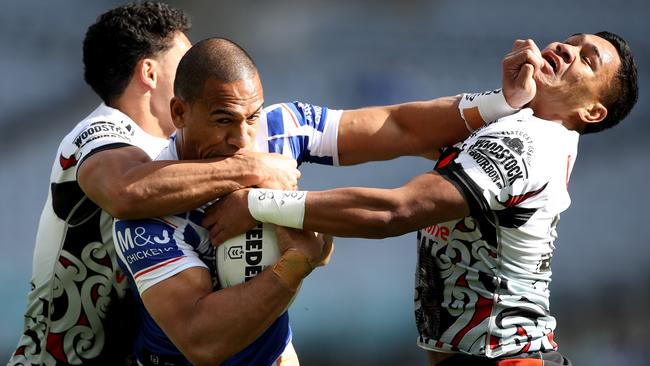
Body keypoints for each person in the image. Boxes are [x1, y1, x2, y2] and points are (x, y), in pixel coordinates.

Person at [204, 31, 639, 366]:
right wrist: (503, 99)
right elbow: (406, 128)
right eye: (573, 41)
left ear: (592, 112)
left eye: (587, 59)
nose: (568, 49)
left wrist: (256, 203)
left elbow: (395, 211)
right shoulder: (516, 125)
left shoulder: (526, 143)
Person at [111, 33, 535, 365]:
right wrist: (295, 265)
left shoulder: (281, 129)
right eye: (223, 120)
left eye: (251, 116)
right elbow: (203, 341)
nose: (242, 139)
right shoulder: (146, 215)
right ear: (180, 113)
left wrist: (500, 102)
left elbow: (397, 125)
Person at [9, 3, 302, 366]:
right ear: (149, 71)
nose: (196, 74)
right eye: (185, 62)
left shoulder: (176, 159)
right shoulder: (99, 133)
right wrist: (249, 168)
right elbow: (126, 192)